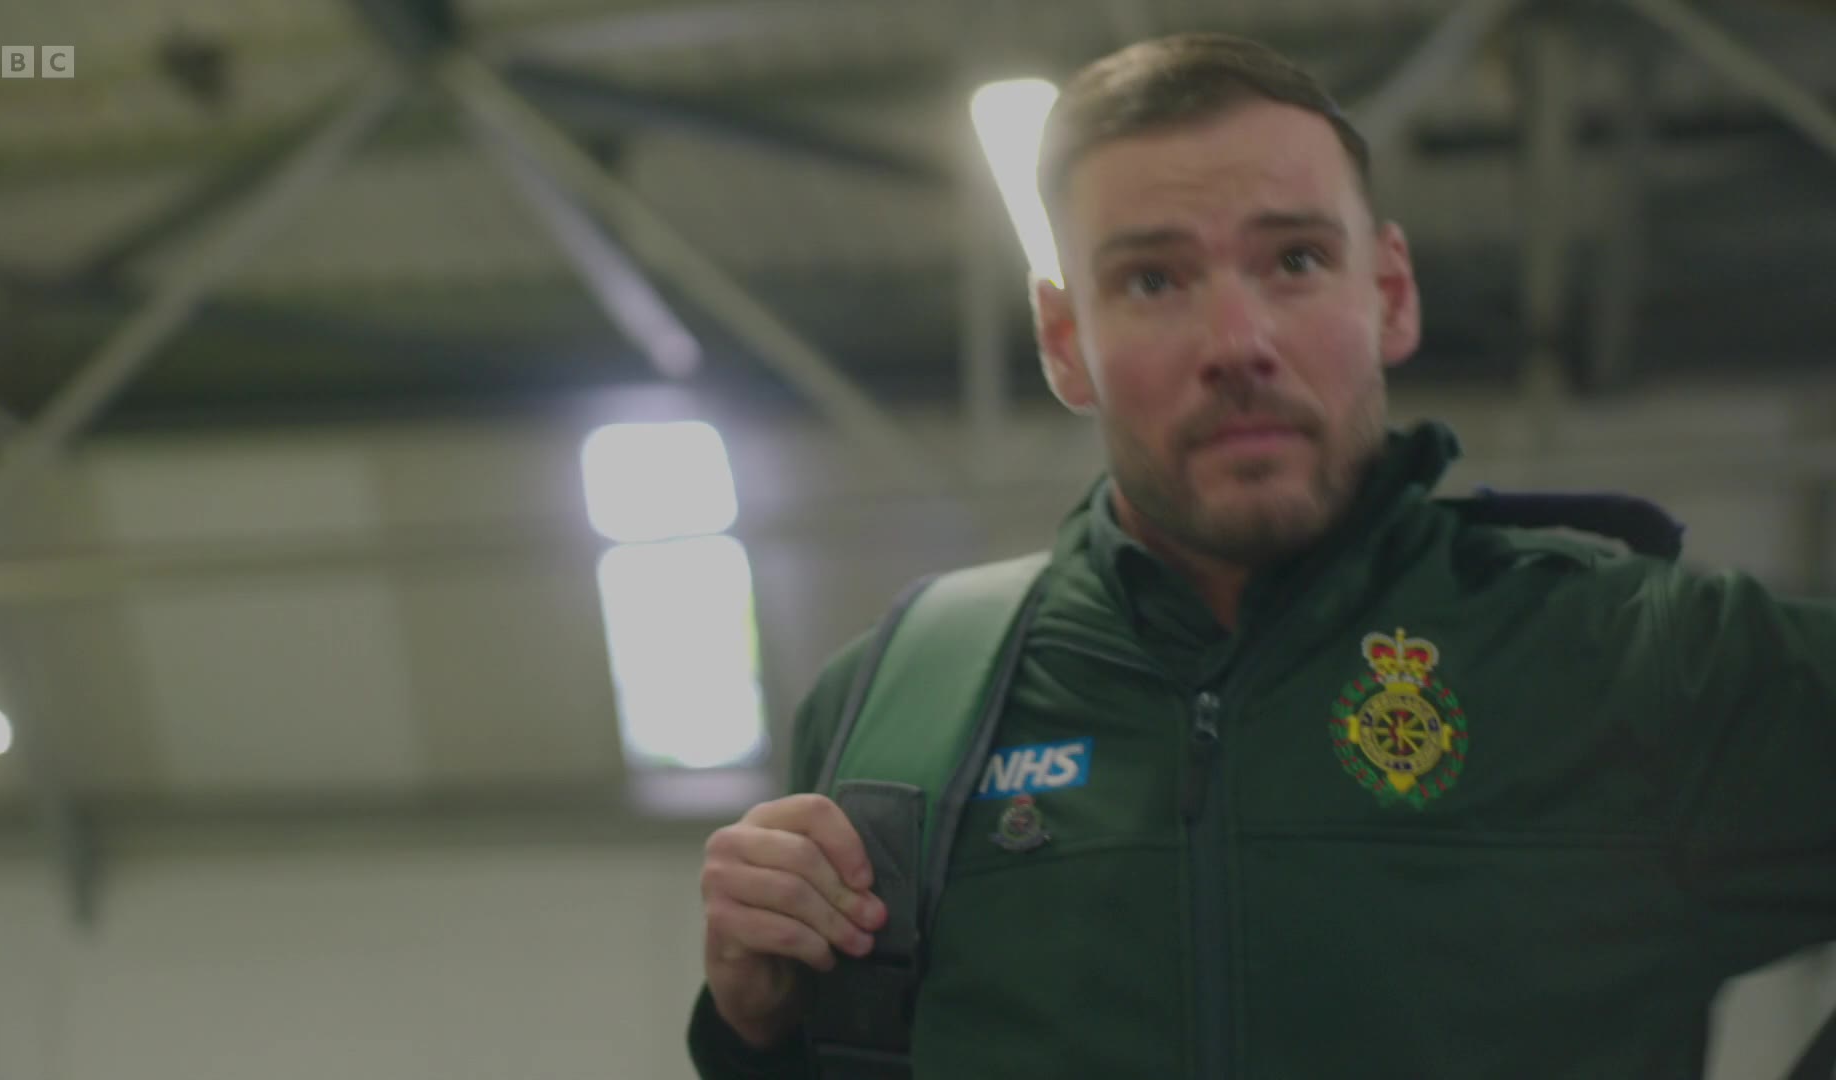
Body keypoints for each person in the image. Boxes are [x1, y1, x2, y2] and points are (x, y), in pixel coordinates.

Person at [686, 31, 1836, 1079]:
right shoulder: (899, 711)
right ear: (1065, 343)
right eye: (1153, 280)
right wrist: (757, 1032)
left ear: (1388, 293)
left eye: (1293, 261)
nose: (1238, 342)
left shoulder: (1634, 661)